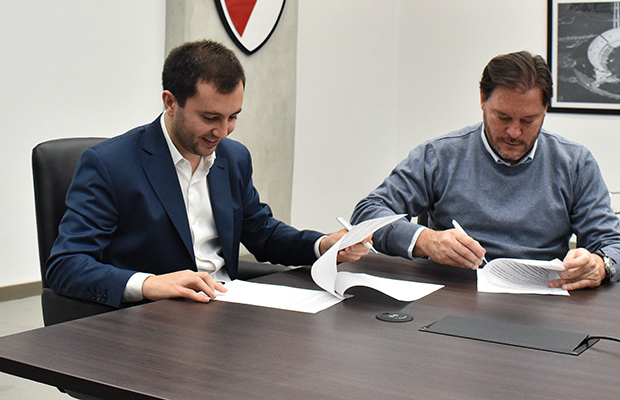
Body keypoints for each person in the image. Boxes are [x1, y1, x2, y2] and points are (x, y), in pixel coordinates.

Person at [46, 40, 370, 308]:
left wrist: (323, 245)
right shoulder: (110, 165)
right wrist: (150, 284)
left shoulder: (233, 158)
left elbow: (262, 233)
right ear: (170, 103)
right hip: (154, 319)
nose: (223, 132)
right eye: (211, 117)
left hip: (227, 309)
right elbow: (66, 265)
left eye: (233, 117)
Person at [351, 50, 620, 291]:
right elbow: (367, 212)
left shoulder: (575, 163)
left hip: (543, 298)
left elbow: (611, 243)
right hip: (453, 294)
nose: (514, 132)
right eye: (503, 117)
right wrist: (425, 240)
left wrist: (600, 265)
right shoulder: (441, 156)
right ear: (482, 99)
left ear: (545, 110)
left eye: (528, 120)